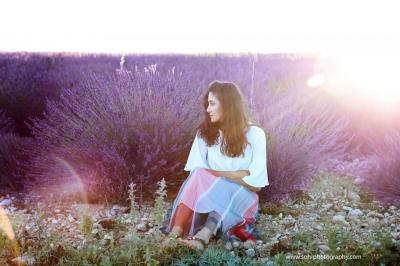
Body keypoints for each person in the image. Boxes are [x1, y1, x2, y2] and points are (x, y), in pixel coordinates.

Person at [163, 81, 269, 250]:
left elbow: (255, 186)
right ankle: (175, 233)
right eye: (207, 104)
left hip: (243, 200)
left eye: (212, 104)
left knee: (221, 185)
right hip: (207, 200)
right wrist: (236, 174)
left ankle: (202, 238)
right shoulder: (204, 134)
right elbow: (196, 178)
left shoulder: (255, 134)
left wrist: (219, 176)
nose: (207, 109)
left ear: (227, 105)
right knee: (200, 175)